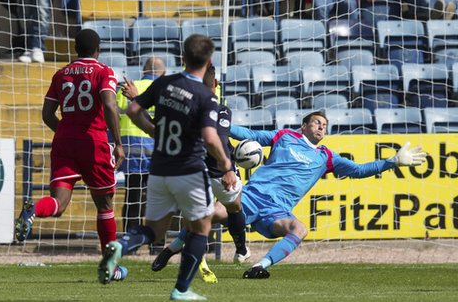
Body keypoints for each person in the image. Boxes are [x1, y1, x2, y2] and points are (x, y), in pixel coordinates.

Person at [152, 110, 427, 279]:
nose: (322, 127)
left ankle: (259, 266)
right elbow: (248, 133)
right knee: (211, 213)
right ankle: (170, 249)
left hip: (276, 212)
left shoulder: (326, 157)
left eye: (325, 125)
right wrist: (215, 126)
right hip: (251, 197)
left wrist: (392, 161)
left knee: (300, 228)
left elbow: (358, 170)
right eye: (317, 123)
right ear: (304, 126)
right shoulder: (285, 136)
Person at [98, 34, 237, 301]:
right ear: (208, 61)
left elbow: (134, 108)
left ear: (182, 57)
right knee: (201, 227)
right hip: (189, 170)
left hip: (159, 170)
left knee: (153, 230)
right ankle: (181, 290)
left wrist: (153, 131)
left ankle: (121, 244)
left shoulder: (164, 83)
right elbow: (210, 138)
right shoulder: (205, 96)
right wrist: (226, 164)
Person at [121, 63, 250, 284]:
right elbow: (215, 138)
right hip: (216, 171)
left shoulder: (180, 105)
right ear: (216, 84)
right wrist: (227, 167)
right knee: (232, 207)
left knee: (179, 223)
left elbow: (157, 129)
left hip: (182, 170)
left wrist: (137, 99)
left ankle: (162, 250)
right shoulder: (219, 107)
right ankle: (239, 250)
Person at [14, 29, 127, 277]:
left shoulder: (61, 74)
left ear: (75, 49)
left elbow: (46, 114)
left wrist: (66, 131)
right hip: (93, 141)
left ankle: (32, 211)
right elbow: (109, 104)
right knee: (104, 205)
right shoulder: (104, 71)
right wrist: (118, 142)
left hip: (64, 142)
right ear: (98, 50)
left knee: (59, 203)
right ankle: (110, 265)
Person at [116, 57, 166, 238]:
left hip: (131, 153)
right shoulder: (165, 89)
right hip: (157, 151)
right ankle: (156, 243)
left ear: (144, 71)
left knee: (132, 198)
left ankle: (130, 240)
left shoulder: (127, 87)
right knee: (157, 199)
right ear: (164, 73)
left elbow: (113, 119)